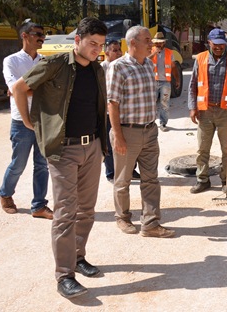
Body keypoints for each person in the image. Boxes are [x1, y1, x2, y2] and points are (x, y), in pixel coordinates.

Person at [11, 17, 108, 299]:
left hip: (92, 147)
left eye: (100, 45)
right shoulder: (55, 65)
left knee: (87, 210)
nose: (96, 50)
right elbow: (19, 89)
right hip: (63, 150)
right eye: (92, 44)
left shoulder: (98, 70)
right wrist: (31, 124)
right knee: (66, 212)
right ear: (77, 40)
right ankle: (64, 275)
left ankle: (78, 257)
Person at [107, 26, 175, 239]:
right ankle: (123, 217)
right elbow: (112, 103)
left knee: (151, 180)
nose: (151, 44)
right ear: (133, 43)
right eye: (147, 40)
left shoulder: (147, 65)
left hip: (149, 131)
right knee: (123, 180)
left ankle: (150, 223)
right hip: (127, 133)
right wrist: (117, 135)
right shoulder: (118, 67)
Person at [0, 20, 52, 219]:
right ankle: (5, 194)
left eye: (43, 33)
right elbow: (14, 89)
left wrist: (24, 92)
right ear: (24, 35)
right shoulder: (11, 61)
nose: (42, 37)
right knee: (18, 164)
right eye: (38, 33)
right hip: (21, 122)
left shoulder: (44, 62)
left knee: (42, 164)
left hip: (41, 121)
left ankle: (39, 205)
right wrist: (28, 91)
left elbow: (48, 91)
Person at [188, 28, 227, 194]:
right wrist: (192, 107)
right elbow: (192, 85)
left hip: (225, 112)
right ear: (209, 43)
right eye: (216, 44)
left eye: (222, 44)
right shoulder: (200, 59)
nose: (219, 47)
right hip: (205, 111)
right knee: (202, 149)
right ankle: (202, 179)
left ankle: (226, 180)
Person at [101, 39, 123, 183]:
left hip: (123, 113)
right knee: (109, 145)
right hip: (107, 114)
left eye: (119, 49)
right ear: (106, 52)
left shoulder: (122, 66)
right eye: (115, 50)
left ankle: (129, 170)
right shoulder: (101, 68)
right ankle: (111, 173)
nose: (119, 52)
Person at [149, 32, 180, 132]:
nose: (158, 45)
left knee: (164, 104)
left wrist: (177, 79)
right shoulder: (149, 51)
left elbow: (174, 67)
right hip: (152, 82)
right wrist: (154, 53)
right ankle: (150, 123)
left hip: (165, 83)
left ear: (164, 43)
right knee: (151, 103)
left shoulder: (169, 52)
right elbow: (144, 60)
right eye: (156, 43)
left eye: (160, 43)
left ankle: (163, 123)